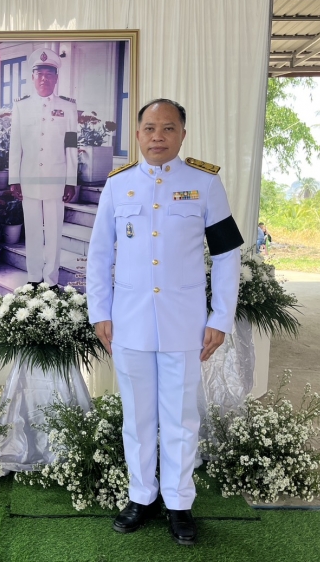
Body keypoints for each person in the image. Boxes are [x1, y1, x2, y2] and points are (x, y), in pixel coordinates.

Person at [86, 99, 243, 546]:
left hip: (184, 323)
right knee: (137, 416)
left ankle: (178, 502)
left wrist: (220, 317)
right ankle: (142, 496)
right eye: (150, 128)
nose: (158, 136)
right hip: (129, 322)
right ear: (137, 134)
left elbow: (227, 255)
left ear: (182, 135)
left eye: (168, 128)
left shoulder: (205, 184)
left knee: (180, 416)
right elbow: (99, 254)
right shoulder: (118, 185)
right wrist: (100, 312)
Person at [8, 47, 78, 288]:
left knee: (54, 233)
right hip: (28, 179)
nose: (44, 79)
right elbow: (15, 145)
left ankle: (51, 280)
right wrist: (14, 179)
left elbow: (71, 145)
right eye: (39, 74)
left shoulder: (68, 107)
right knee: (33, 231)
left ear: (56, 78)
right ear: (32, 77)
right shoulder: (21, 106)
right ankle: (33, 278)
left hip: (56, 179)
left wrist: (71, 180)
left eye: (49, 74)